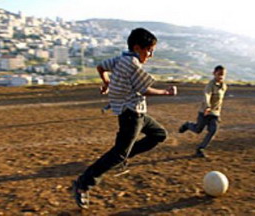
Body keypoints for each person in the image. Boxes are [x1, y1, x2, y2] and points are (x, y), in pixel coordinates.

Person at [72, 28, 177, 209]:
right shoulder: (133, 64)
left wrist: (107, 83)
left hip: (136, 113)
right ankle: (83, 183)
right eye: (149, 50)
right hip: (132, 114)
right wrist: (166, 92)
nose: (151, 55)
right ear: (137, 47)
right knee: (118, 154)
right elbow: (144, 90)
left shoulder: (121, 58)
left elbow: (101, 67)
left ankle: (126, 155)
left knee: (159, 134)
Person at [179, 65, 228, 158]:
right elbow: (207, 95)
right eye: (219, 74)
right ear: (214, 73)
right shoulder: (210, 85)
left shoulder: (224, 86)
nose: (221, 76)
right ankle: (187, 125)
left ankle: (200, 149)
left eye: (223, 74)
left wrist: (217, 112)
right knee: (198, 130)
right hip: (205, 112)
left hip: (215, 114)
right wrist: (208, 106)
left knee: (213, 130)